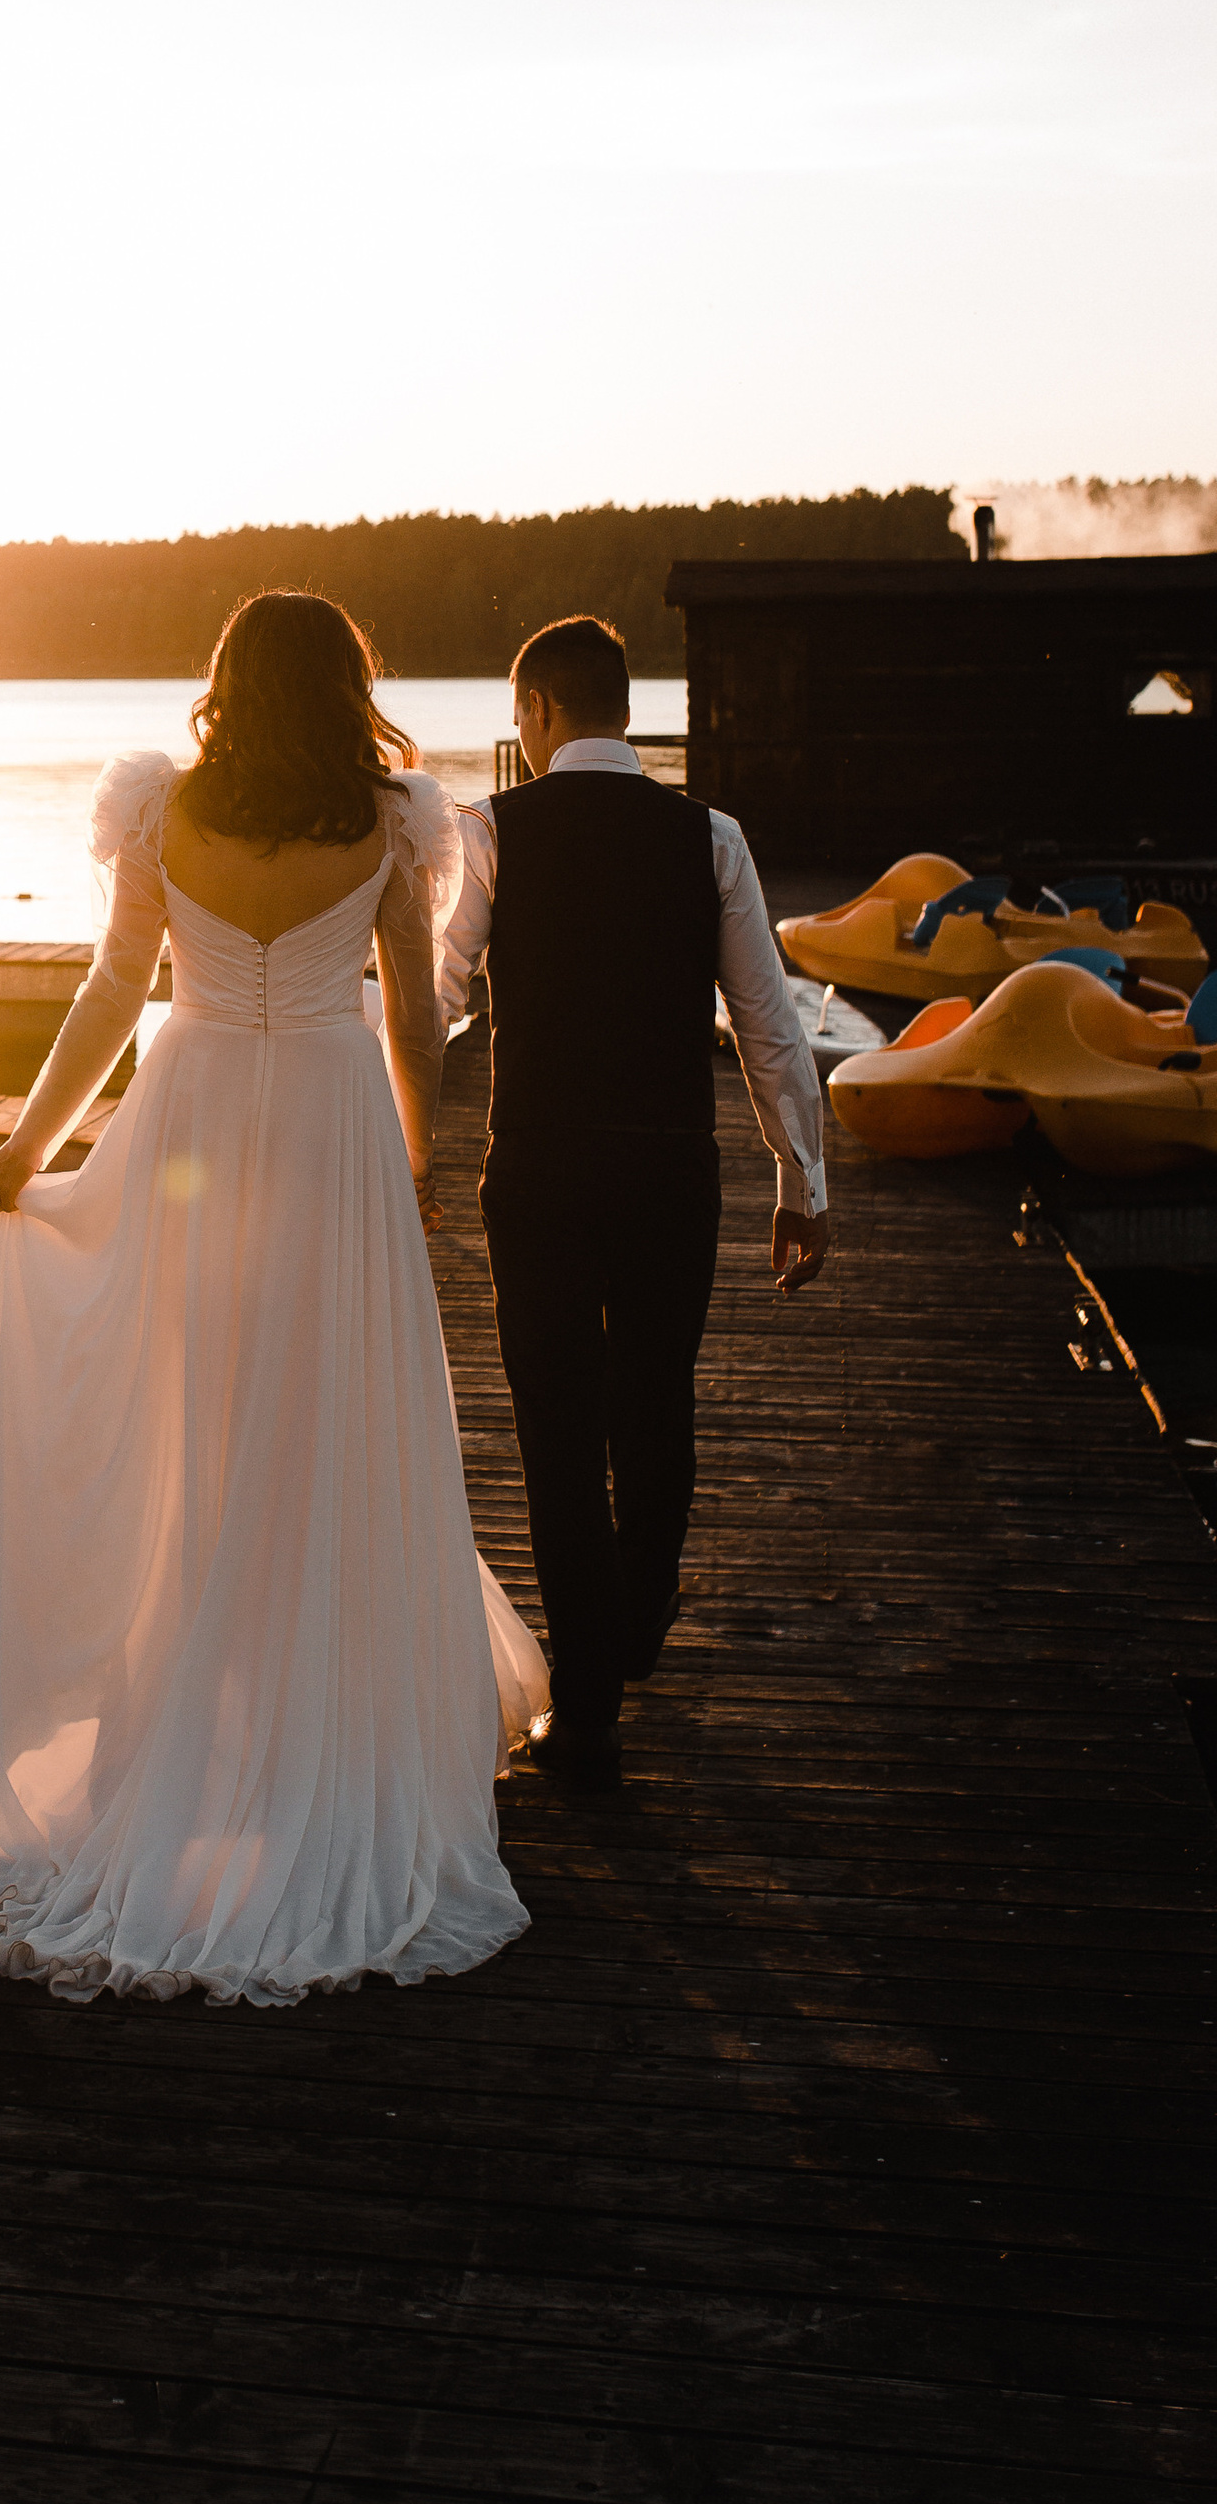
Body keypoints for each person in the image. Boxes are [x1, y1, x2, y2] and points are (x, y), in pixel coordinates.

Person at [0, 590, 547, 2003]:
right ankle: (292, 1724)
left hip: (189, 1122)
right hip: (328, 1137)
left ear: (224, 687)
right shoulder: (390, 822)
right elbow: (413, 1014)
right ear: (342, 687)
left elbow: (111, 991)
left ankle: (194, 1711)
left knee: (194, 1421)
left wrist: (31, 1143)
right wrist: (418, 1160)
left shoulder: (161, 815)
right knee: (324, 1430)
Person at [438, 613, 829, 1791]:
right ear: (622, 705)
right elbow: (767, 1024)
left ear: (537, 713)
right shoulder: (709, 836)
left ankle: (591, 1703)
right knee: (654, 1395)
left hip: (541, 1172)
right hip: (670, 1171)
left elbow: (439, 990)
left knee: (557, 1428)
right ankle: (641, 1596)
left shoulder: (490, 829)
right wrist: (800, 1181)